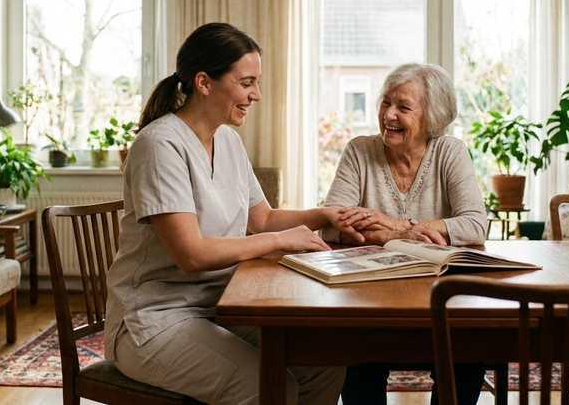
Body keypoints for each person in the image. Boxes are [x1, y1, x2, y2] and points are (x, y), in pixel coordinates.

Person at [104, 22, 370, 405]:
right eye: (246, 83)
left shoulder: (227, 140)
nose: (256, 95)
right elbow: (191, 254)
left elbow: (261, 220)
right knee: (266, 388)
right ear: (204, 82)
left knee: (324, 365)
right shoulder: (159, 145)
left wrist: (325, 214)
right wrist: (277, 242)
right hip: (152, 321)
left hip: (217, 308)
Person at [319, 62, 488, 405]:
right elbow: (330, 225)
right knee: (359, 358)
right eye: (385, 102)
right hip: (370, 298)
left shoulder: (449, 152)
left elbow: (475, 224)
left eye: (403, 107)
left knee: (468, 354)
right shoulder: (359, 151)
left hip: (441, 296)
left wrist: (396, 225)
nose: (388, 115)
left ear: (432, 119)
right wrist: (391, 236)